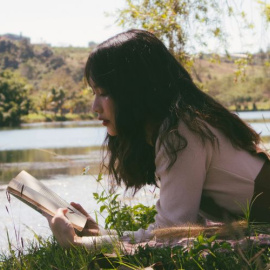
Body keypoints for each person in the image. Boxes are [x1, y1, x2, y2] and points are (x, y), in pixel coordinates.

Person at [45, 29, 270, 249]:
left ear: (134, 91)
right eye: (94, 93)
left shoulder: (182, 132)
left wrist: (81, 244)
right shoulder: (180, 124)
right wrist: (98, 233)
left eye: (104, 93)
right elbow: (176, 230)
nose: (95, 107)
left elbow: (171, 236)